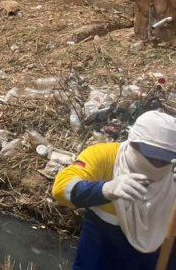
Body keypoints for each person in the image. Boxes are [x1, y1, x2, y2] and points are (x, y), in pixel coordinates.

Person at [53, 110, 176, 270]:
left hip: (157, 258)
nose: (157, 165)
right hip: (101, 255)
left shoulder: (172, 174)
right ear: (133, 143)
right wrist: (105, 189)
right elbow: (62, 188)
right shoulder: (105, 156)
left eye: (164, 159)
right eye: (151, 157)